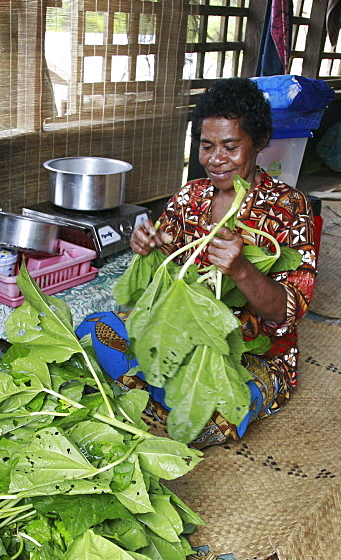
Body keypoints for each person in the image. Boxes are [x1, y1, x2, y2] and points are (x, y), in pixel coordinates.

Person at [76, 77, 318, 446]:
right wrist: (150, 246)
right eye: (206, 146)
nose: (216, 159)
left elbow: (285, 312)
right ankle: (161, 397)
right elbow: (162, 267)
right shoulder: (191, 196)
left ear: (261, 142)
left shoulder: (289, 208)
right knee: (94, 330)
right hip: (182, 334)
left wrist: (241, 269)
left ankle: (155, 399)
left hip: (247, 352)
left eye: (230, 146)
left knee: (213, 417)